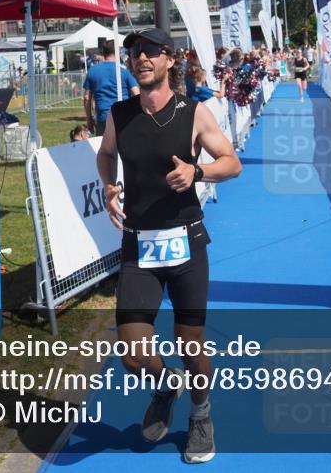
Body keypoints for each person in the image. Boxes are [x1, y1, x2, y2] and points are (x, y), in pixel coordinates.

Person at [96, 28, 241, 464]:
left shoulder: (193, 114)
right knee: (132, 349)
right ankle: (165, 384)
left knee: (190, 342)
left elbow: (231, 163)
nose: (141, 59)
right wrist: (108, 185)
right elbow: (106, 154)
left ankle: (201, 414)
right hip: (138, 245)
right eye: (134, 53)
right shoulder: (120, 115)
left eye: (151, 52)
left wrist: (198, 173)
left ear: (169, 61)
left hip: (186, 242)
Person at [83, 41, 140, 135]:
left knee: (104, 148)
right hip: (124, 116)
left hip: (103, 118)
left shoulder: (92, 71)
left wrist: (89, 118)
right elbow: (136, 93)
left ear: (102, 52)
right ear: (117, 52)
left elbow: (87, 97)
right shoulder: (123, 70)